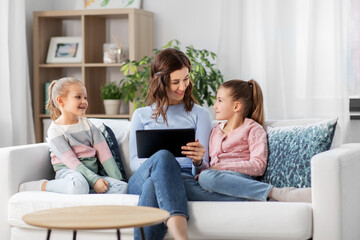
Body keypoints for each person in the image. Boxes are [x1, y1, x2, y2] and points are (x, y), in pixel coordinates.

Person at [129, 48, 244, 240]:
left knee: (153, 185)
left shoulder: (200, 114)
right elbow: (134, 162)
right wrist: (159, 166)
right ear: (161, 82)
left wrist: (199, 161)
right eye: (176, 82)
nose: (183, 86)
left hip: (181, 178)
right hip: (142, 176)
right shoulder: (141, 114)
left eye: (186, 78)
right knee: (163, 158)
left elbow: (202, 167)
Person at [197, 79, 312, 202]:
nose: (215, 105)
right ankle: (249, 197)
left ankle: (275, 192)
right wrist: (198, 162)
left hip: (239, 178)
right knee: (183, 181)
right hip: (216, 180)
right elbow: (210, 166)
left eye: (220, 100)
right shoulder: (215, 130)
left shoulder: (253, 128)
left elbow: (258, 166)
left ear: (236, 106)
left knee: (206, 178)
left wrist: (219, 168)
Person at [19, 77, 128, 195]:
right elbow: (72, 162)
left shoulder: (88, 125)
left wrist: (117, 179)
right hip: (69, 173)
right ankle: (44, 185)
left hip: (91, 176)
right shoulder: (55, 131)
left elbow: (105, 155)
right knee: (79, 185)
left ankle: (88, 191)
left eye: (85, 97)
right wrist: (95, 180)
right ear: (60, 101)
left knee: (122, 187)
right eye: (78, 97)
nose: (84, 101)